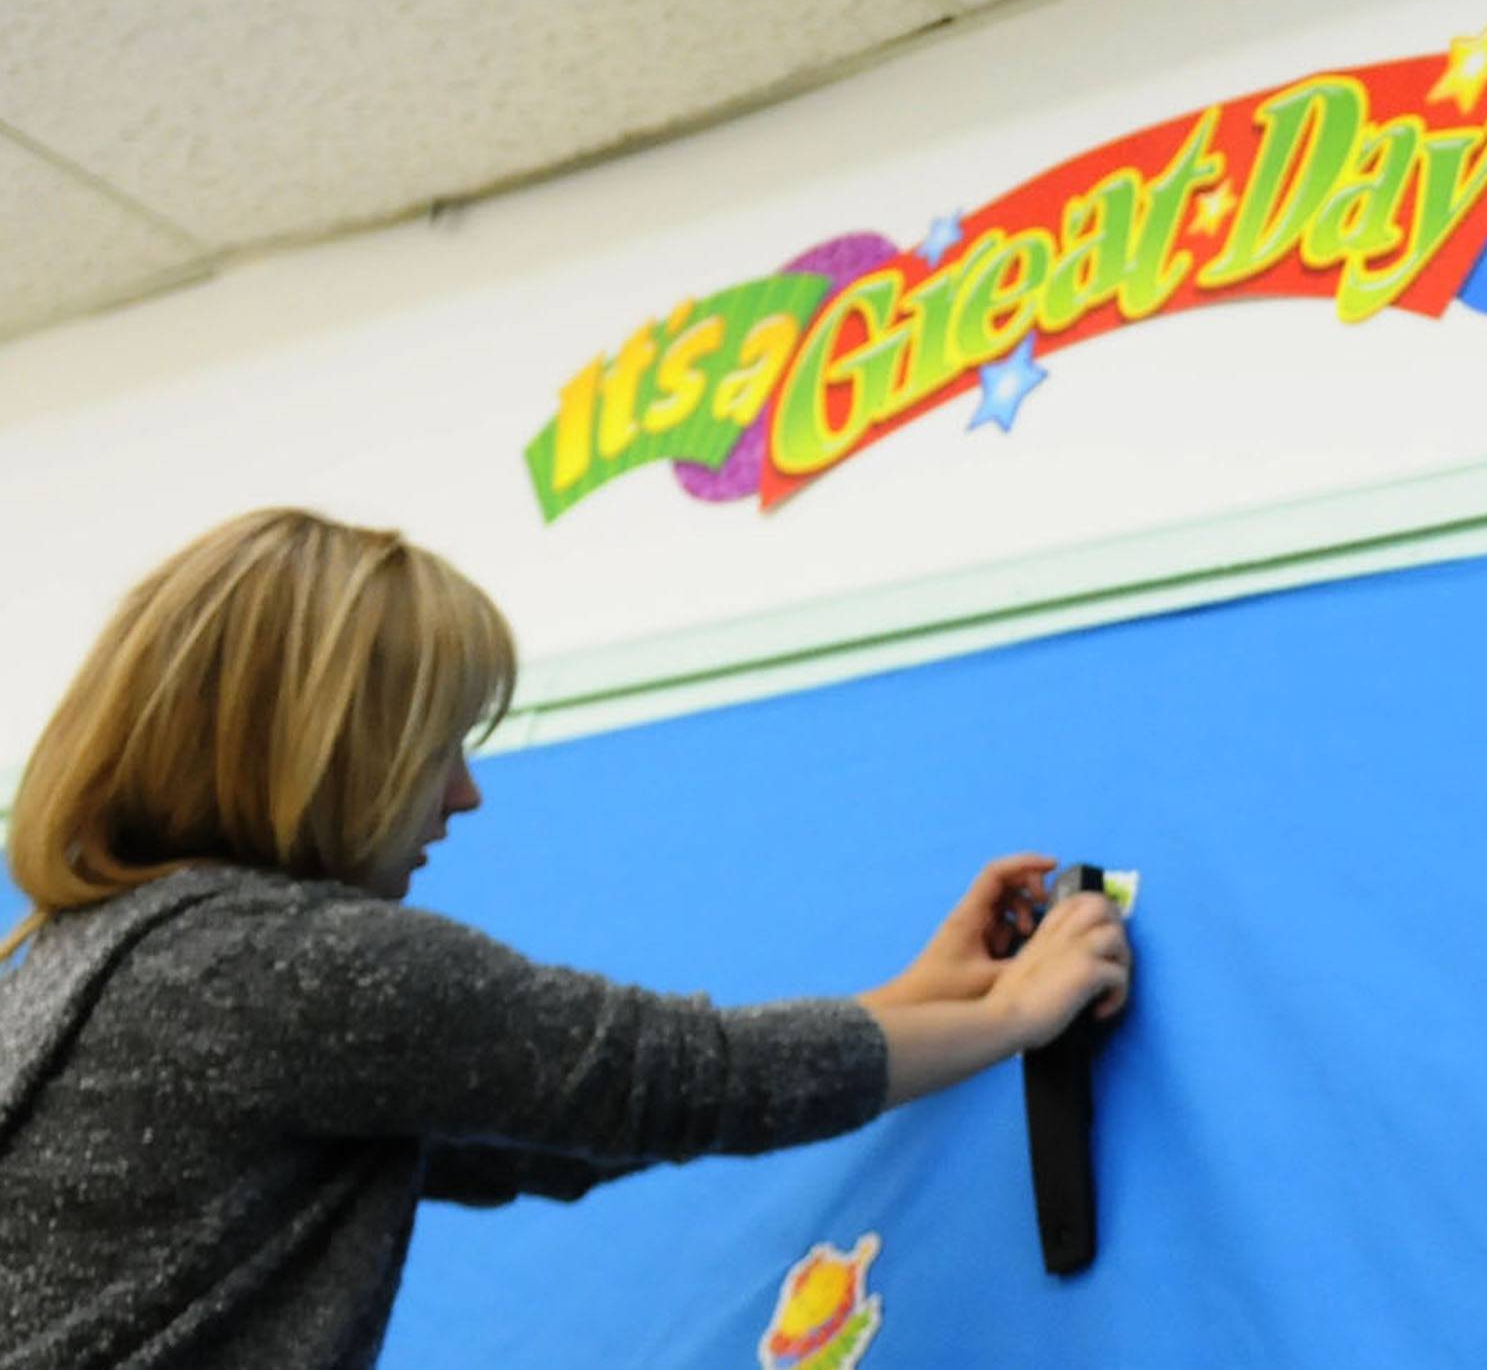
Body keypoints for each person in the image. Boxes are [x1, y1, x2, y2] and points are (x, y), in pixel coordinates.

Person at [0, 509, 1131, 1369]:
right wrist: (1007, 1015)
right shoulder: (286, 968)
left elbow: (564, 1121)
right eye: (435, 745)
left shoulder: (75, 962)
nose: (463, 793)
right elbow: (681, 1079)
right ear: (329, 753)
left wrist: (914, 999)